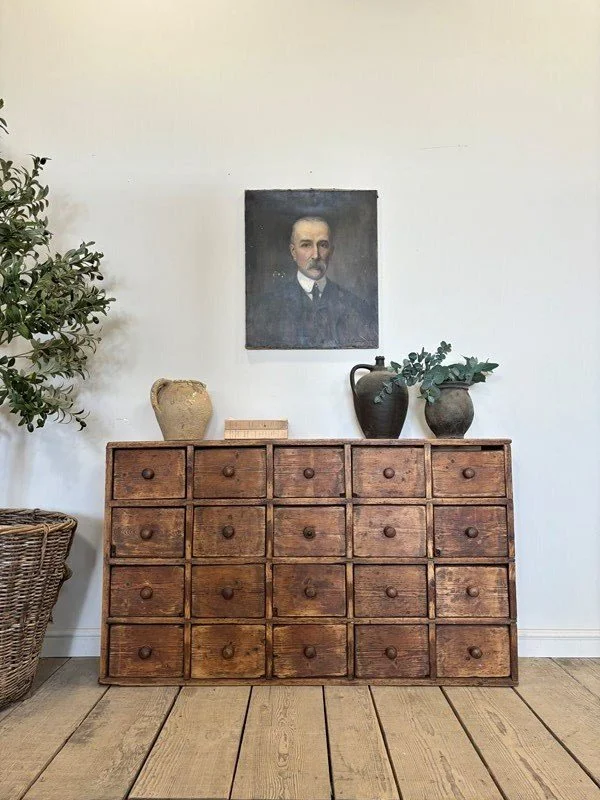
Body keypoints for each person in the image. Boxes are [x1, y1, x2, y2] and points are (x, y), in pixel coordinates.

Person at [248, 216, 378, 348]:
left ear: (331, 252)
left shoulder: (356, 306)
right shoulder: (266, 308)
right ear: (293, 252)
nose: (316, 255)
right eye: (306, 245)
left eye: (323, 245)